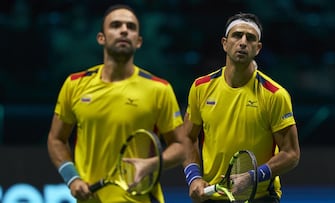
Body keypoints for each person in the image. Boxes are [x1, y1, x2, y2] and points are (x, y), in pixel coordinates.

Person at [47, 4, 185, 203]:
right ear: (101, 38)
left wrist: (152, 164)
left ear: (138, 41)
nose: (123, 30)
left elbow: (180, 145)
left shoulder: (159, 89)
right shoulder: (74, 84)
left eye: (131, 27)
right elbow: (56, 139)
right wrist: (73, 179)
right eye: (115, 25)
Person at [182, 12, 300, 203]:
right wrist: (193, 177)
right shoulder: (200, 88)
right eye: (237, 35)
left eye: (250, 38)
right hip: (213, 196)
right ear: (224, 43)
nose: (243, 42)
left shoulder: (274, 95)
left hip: (259, 197)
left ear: (258, 48)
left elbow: (291, 153)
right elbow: (187, 136)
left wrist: (252, 177)